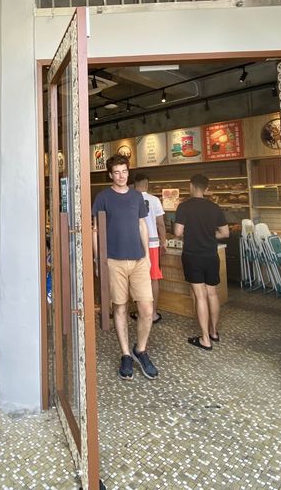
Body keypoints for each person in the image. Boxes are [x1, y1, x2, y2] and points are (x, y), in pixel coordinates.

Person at [92, 154, 158, 381]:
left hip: (139, 260)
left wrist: (148, 256)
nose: (121, 176)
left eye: (125, 172)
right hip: (114, 260)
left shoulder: (137, 196)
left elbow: (142, 225)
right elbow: (95, 230)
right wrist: (99, 259)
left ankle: (141, 349)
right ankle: (126, 354)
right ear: (110, 174)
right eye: (117, 172)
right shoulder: (103, 197)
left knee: (147, 309)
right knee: (119, 308)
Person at [173, 174, 229, 351]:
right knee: (212, 293)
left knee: (200, 295)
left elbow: (177, 232)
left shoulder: (184, 207)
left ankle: (205, 339)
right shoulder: (215, 207)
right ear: (206, 189)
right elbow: (225, 233)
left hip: (192, 255)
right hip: (211, 255)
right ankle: (213, 332)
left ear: (190, 186)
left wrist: (192, 234)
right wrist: (209, 236)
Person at [134, 173, 166, 324]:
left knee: (137, 279)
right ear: (147, 184)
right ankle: (152, 313)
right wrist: (164, 241)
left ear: (135, 184)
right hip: (153, 244)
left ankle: (141, 312)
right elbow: (160, 224)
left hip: (135, 244)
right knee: (153, 278)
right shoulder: (154, 200)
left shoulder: (131, 199)